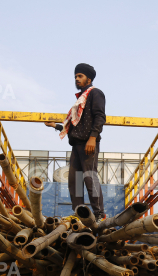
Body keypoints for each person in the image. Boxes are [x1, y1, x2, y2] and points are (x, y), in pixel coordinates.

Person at [45, 63, 106, 221]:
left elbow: (100, 116)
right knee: (74, 180)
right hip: (77, 144)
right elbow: (74, 125)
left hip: (88, 143)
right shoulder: (80, 100)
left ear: (89, 78)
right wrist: (56, 126)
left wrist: (93, 137)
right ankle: (80, 213)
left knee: (89, 177)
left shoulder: (95, 93)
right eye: (75, 77)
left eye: (80, 76)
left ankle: (100, 215)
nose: (77, 79)